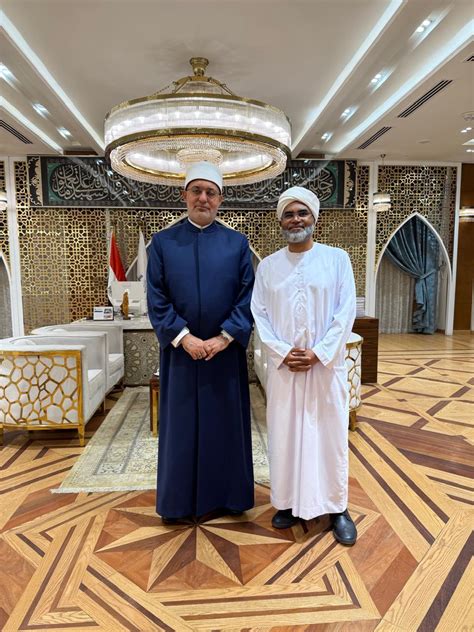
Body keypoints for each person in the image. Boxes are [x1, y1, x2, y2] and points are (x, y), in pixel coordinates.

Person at [147, 161, 254, 524]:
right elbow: (156, 298)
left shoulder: (237, 244)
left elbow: (248, 297)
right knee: (180, 430)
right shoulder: (162, 243)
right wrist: (184, 338)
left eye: (211, 192)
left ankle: (229, 498)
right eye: (197, 191)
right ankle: (177, 504)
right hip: (181, 355)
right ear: (184, 196)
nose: (203, 198)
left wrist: (224, 338)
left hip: (224, 355)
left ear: (220, 199)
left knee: (224, 427)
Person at [251, 186, 357, 545]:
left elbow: (345, 312)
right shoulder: (268, 267)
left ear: (314, 218)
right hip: (286, 371)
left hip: (325, 368)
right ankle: (288, 502)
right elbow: (259, 314)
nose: (296, 220)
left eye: (302, 213)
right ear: (280, 221)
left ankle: (337, 507)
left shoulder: (337, 259)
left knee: (329, 437)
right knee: (285, 436)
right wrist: (283, 352)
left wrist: (319, 352)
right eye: (289, 214)